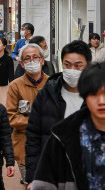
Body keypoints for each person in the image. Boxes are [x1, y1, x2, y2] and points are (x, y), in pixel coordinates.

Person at [25, 40, 92, 186]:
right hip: (52, 173)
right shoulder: (47, 94)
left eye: (78, 65)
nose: (72, 70)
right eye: (67, 65)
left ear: (88, 66)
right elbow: (33, 137)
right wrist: (33, 176)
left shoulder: (96, 96)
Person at [31, 62, 105, 190]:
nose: (101, 101)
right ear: (84, 96)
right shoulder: (62, 137)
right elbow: (43, 184)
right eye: (94, 94)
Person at [5, 43, 49, 186]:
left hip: (49, 145)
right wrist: (38, 122)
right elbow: (11, 116)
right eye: (27, 59)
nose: (32, 61)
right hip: (24, 146)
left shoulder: (52, 83)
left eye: (35, 57)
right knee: (30, 184)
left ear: (42, 60)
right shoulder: (15, 86)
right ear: (22, 64)